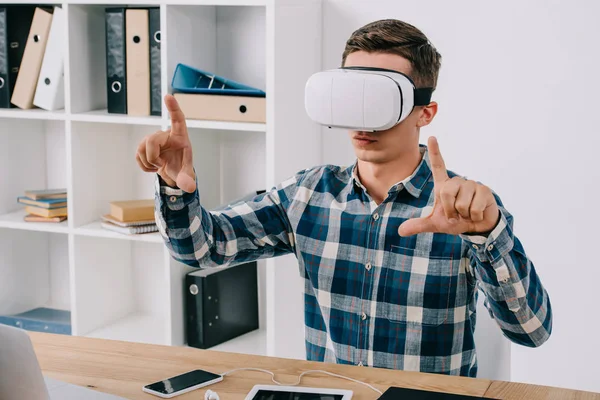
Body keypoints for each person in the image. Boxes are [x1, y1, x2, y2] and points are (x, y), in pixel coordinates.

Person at [136, 19, 552, 377]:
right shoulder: (307, 194)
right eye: (355, 95)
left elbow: (532, 330)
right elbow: (202, 249)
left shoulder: (466, 209)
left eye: (382, 99)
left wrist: (487, 236)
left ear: (425, 112)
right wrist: (175, 188)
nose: (364, 119)